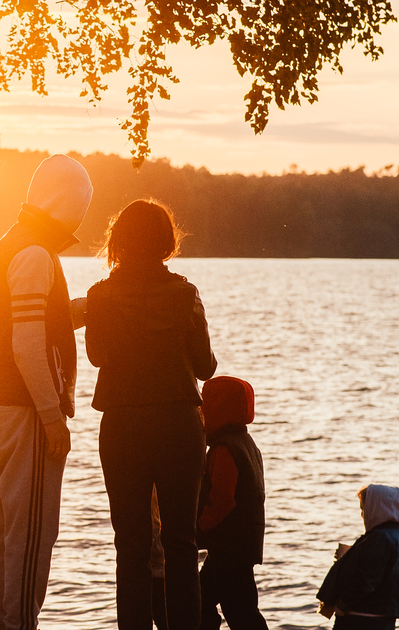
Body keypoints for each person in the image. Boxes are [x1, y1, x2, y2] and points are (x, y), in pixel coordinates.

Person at [85, 199, 218, 630]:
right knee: (182, 542)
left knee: (131, 544)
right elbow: (205, 368)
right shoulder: (185, 293)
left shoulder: (100, 295)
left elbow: (96, 355)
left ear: (118, 240)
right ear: (166, 241)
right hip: (179, 425)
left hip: (123, 426)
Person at [0, 153, 92, 630]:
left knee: (3, 536)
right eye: (82, 205)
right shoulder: (35, 254)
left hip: (0, 412)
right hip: (26, 416)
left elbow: (35, 321)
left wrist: (94, 305)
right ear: (67, 203)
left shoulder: (13, 244)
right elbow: (26, 344)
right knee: (29, 542)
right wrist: (51, 416)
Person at [197, 376, 268, 630]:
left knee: (241, 613)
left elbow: (223, 501)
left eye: (205, 406)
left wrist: (200, 527)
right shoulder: (246, 444)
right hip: (239, 546)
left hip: (230, 548)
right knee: (202, 603)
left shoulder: (223, 449)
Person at [318, 484, 399, 629]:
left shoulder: (379, 538)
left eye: (364, 508)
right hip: (384, 618)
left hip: (361, 618)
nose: (362, 514)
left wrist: (341, 606)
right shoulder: (393, 536)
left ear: (377, 508)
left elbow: (367, 579)